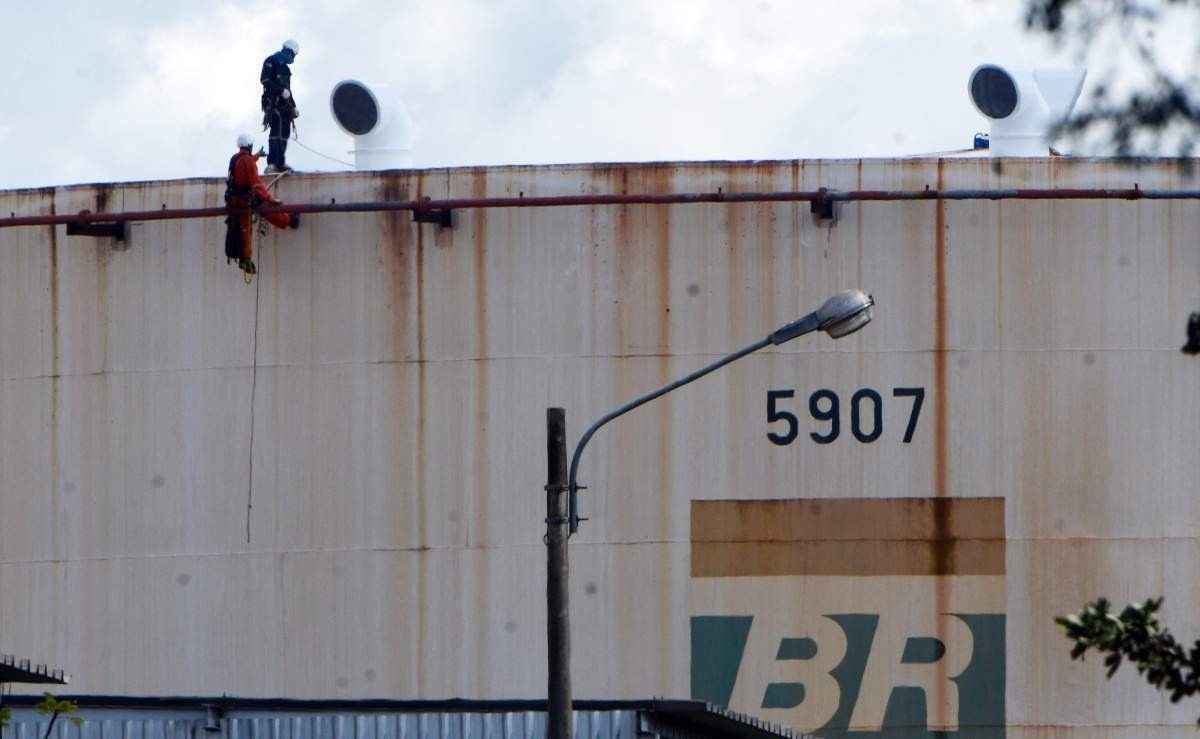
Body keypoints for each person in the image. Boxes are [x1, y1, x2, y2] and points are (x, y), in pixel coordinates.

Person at [224, 134, 299, 275]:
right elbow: (257, 185)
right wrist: (271, 199)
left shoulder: (235, 158)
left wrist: (257, 156)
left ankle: (244, 258)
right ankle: (289, 220)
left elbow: (245, 165)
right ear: (250, 146)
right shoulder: (247, 161)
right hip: (244, 201)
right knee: (266, 210)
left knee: (241, 231)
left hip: (233, 201)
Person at [260, 39, 299, 173]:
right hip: (273, 102)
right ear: (287, 51)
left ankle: (280, 163)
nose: (293, 58)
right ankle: (272, 163)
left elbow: (288, 90)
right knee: (276, 132)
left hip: (284, 106)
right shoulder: (271, 61)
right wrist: (280, 91)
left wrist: (293, 106)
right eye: (293, 55)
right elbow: (265, 80)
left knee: (284, 133)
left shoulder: (285, 69)